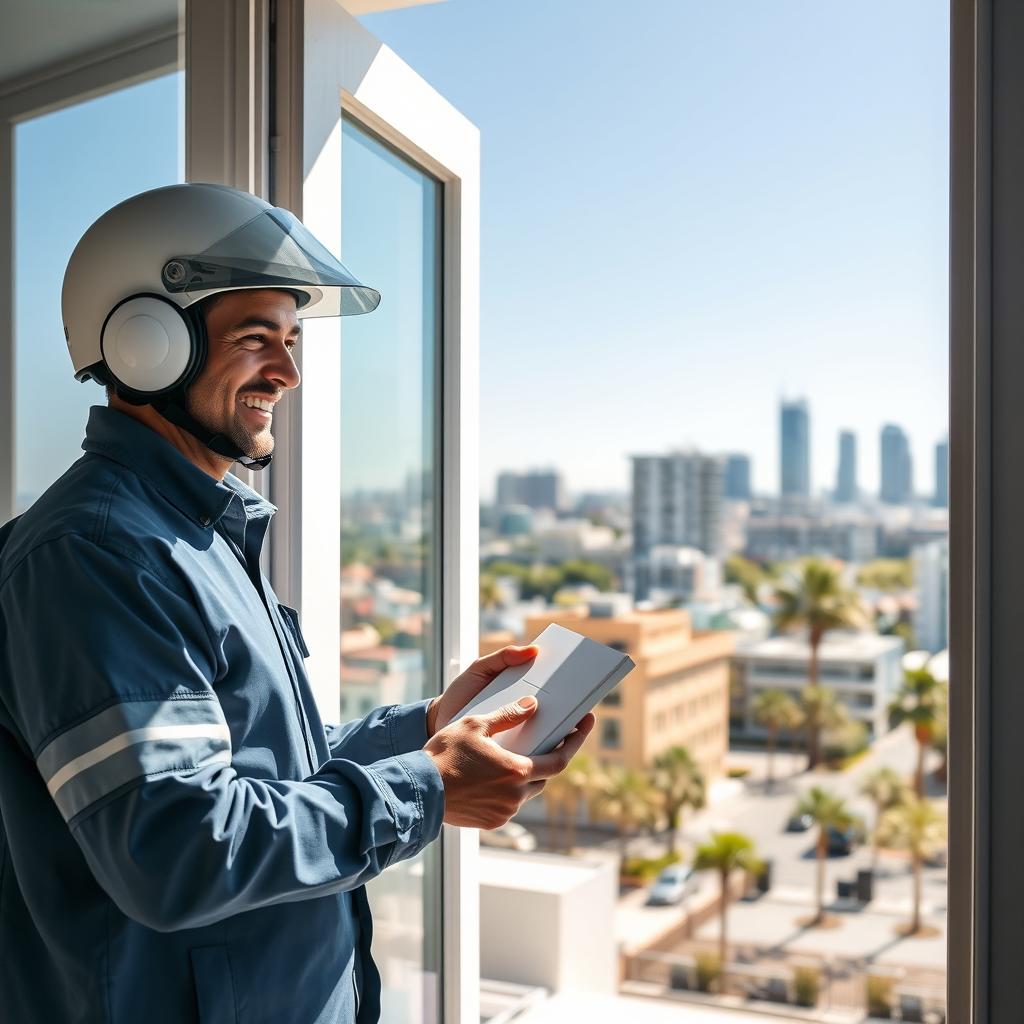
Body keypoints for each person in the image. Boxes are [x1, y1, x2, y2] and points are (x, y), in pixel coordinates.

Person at [0, 183, 594, 1023]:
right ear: (143, 345)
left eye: (290, 339)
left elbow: (262, 767)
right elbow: (175, 848)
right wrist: (425, 789)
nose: (287, 371)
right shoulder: (96, 555)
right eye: (255, 339)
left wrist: (426, 730)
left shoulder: (195, 536)